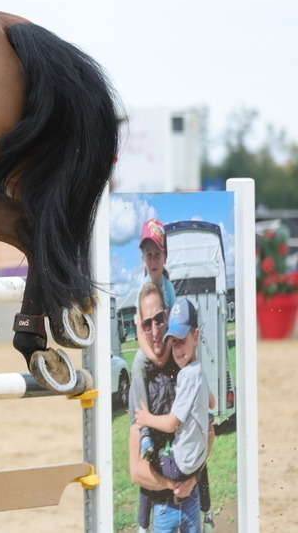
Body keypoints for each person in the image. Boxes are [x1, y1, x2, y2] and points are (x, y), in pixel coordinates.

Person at [128, 282, 206, 533]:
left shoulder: (185, 368)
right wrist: (171, 484)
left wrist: (193, 478)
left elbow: (209, 433)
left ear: (168, 316)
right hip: (162, 507)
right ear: (140, 328)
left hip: (192, 501)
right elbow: (136, 471)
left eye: (160, 319)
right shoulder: (139, 385)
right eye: (147, 324)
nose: (155, 330)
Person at [135, 219, 176, 463]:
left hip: (168, 346)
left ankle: (194, 411)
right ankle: (145, 431)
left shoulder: (169, 288)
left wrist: (168, 350)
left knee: (187, 358)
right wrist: (154, 357)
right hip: (152, 351)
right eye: (148, 255)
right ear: (143, 260)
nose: (153, 260)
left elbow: (176, 323)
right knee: (138, 363)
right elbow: (141, 332)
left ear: (165, 257)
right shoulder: (142, 288)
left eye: (157, 254)